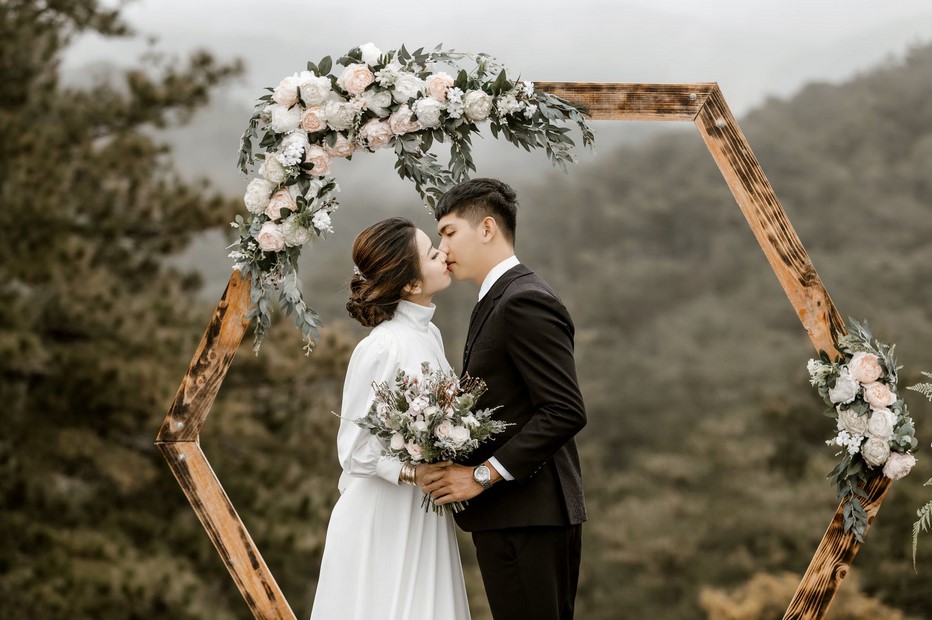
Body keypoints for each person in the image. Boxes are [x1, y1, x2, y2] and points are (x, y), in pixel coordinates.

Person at [421, 178, 587, 620]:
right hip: (513, 516)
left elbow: (564, 410)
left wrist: (480, 475)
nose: (443, 247)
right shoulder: (496, 297)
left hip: (531, 516)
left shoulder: (523, 299)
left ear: (488, 228)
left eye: (449, 232)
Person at [310, 217, 470, 620]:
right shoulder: (380, 347)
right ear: (411, 284)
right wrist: (411, 473)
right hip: (382, 516)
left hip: (422, 511)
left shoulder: (429, 335)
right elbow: (352, 451)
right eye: (433, 254)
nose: (443, 254)